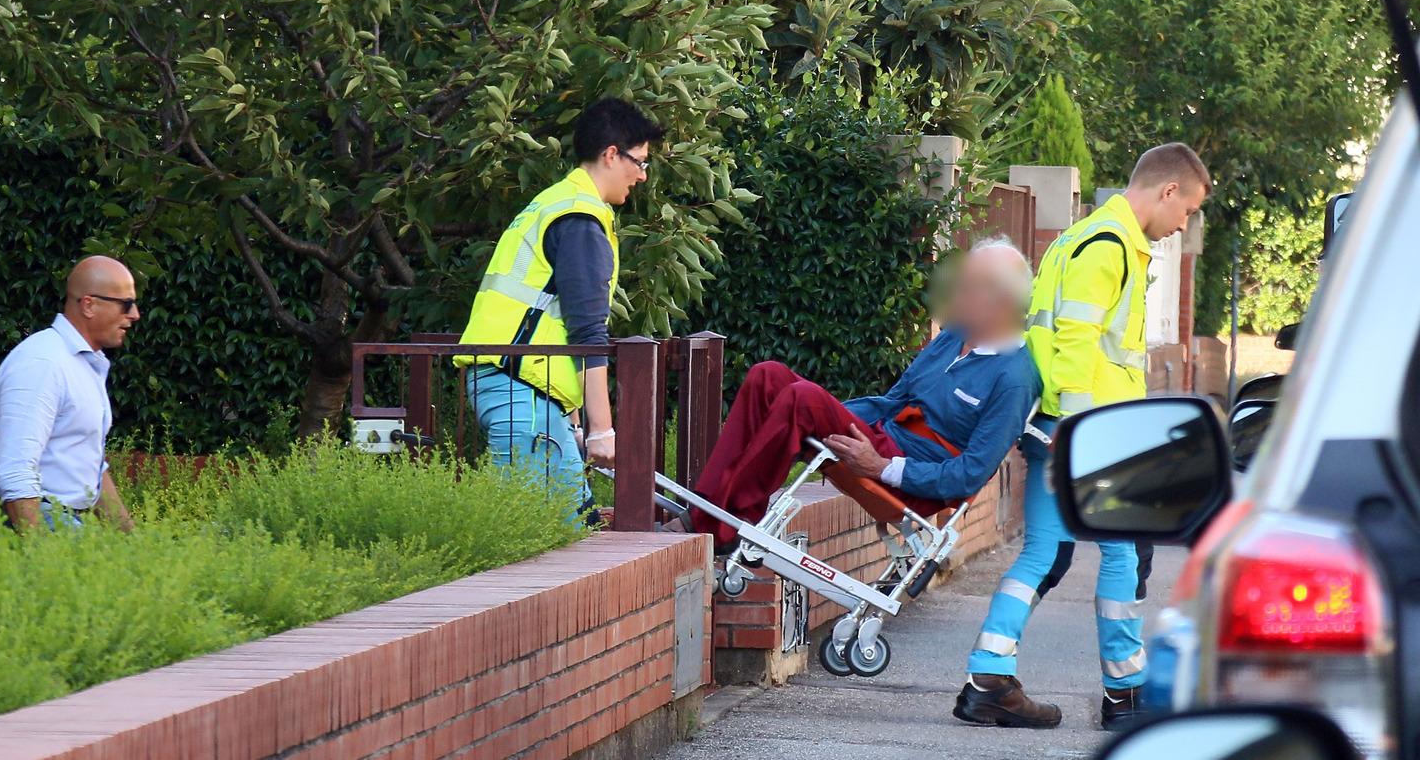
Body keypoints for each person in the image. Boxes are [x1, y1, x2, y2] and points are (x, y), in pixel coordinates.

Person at [955, 142, 1209, 732]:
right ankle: (1125, 693)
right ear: (1168, 190)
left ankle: (988, 675)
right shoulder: (1110, 247)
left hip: (1058, 424)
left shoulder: (1080, 237)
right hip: (1089, 431)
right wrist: (1076, 431)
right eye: (1188, 209)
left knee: (1042, 551)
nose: (1184, 225)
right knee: (1122, 553)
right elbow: (1074, 339)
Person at [663, 239, 1041, 549]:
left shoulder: (1015, 378)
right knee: (769, 377)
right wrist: (842, 417)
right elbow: (895, 399)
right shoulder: (954, 336)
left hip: (909, 476)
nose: (955, 293)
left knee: (803, 399)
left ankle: (722, 526)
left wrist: (881, 467)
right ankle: (709, 507)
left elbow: (969, 476)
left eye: (969, 287)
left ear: (1001, 303)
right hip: (882, 438)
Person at [458, 98, 663, 523]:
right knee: (551, 536)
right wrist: (602, 431)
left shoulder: (554, 203)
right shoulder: (580, 221)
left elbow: (541, 322)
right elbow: (587, 333)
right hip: (520, 391)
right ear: (611, 154)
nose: (643, 175)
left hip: (515, 386)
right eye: (640, 162)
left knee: (569, 529)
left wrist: (569, 418)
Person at [0, 256, 140, 532]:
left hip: (68, 519)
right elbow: (16, 469)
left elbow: (90, 466)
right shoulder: (42, 363)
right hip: (41, 519)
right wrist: (44, 554)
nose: (135, 314)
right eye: (125, 304)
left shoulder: (83, 363)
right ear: (89, 305)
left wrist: (135, 542)